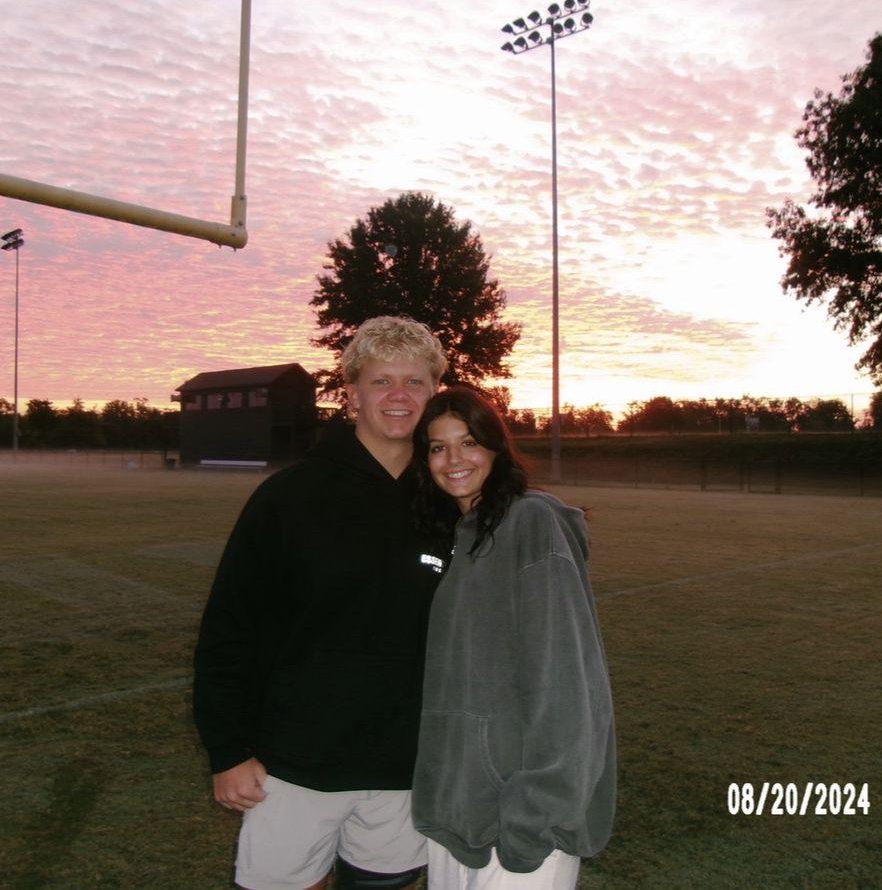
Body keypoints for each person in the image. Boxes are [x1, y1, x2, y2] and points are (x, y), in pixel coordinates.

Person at [193, 316, 449, 890]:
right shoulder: (289, 497)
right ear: (352, 391)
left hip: (406, 763)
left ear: (435, 391)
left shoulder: (449, 501)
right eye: (382, 381)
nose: (400, 396)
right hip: (294, 761)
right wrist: (227, 749)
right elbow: (229, 628)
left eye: (415, 381)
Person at [411, 387, 616, 890]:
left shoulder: (531, 521)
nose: (453, 459)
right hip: (457, 814)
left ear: (497, 449)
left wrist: (536, 817)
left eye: (469, 442)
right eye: (438, 447)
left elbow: (567, 683)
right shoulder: (458, 536)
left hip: (520, 828)